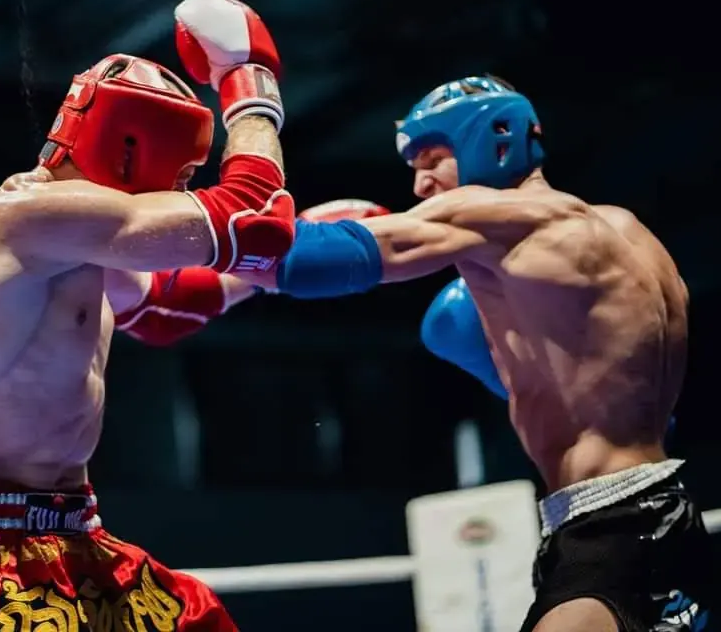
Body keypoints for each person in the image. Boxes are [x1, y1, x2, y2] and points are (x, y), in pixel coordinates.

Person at [217, 75, 712, 631]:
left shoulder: (499, 215)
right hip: (657, 509)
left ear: (494, 142)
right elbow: (636, 404)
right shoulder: (628, 234)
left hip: (612, 527)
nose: (421, 184)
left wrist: (206, 239)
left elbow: (302, 261)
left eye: (433, 159)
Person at [0, 0, 293, 632]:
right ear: (128, 152)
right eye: (182, 173)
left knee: (201, 620)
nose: (182, 191)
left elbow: (162, 307)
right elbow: (255, 219)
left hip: (77, 537)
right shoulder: (19, 219)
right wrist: (249, 84)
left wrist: (294, 267)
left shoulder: (78, 244)